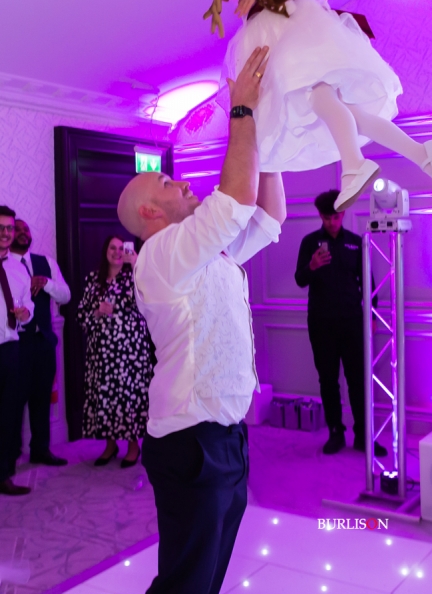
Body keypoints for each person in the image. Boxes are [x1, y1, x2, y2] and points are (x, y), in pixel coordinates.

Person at [117, 46, 285, 594]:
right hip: (191, 439)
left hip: (224, 435)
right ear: (150, 212)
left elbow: (268, 215)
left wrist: (270, 139)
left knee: (204, 578)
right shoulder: (160, 255)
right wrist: (242, 110)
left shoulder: (205, 253)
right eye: (169, 184)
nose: (184, 183)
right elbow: (234, 200)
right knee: (187, 582)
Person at [204, 0, 432, 211]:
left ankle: (354, 166)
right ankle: (422, 154)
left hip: (292, 33)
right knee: (353, 114)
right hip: (288, 34)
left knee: (319, 96)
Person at [295, 189, 387, 456]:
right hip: (321, 322)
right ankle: (335, 432)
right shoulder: (309, 243)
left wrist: (372, 316)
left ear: (343, 214)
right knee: (328, 379)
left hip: (353, 321)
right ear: (320, 216)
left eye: (335, 217)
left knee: (358, 379)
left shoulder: (356, 243)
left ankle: (364, 435)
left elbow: (368, 282)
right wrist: (312, 266)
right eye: (326, 218)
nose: (331, 222)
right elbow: (300, 279)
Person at [77, 236, 153, 468]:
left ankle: (133, 446)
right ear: (105, 251)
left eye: (122, 248)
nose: (118, 252)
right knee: (104, 396)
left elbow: (149, 303)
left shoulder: (136, 277)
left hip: (129, 351)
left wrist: (137, 265)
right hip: (100, 352)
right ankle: (110, 445)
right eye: (113, 247)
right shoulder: (93, 279)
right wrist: (98, 313)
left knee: (127, 396)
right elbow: (81, 315)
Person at [10, 218, 71, 466]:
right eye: (17, 229)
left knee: (42, 396)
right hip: (16, 344)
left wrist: (46, 283)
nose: (23, 232)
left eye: (26, 229)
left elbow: (65, 296)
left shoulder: (46, 262)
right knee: (14, 400)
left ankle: (40, 449)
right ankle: (10, 455)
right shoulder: (4, 265)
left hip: (44, 340)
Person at [0, 206, 34, 496]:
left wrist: (26, 314)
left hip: (10, 348)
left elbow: (28, 305)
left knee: (9, 413)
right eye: (0, 228)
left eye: (9, 228)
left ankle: (4, 474)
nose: (6, 233)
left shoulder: (18, 269)